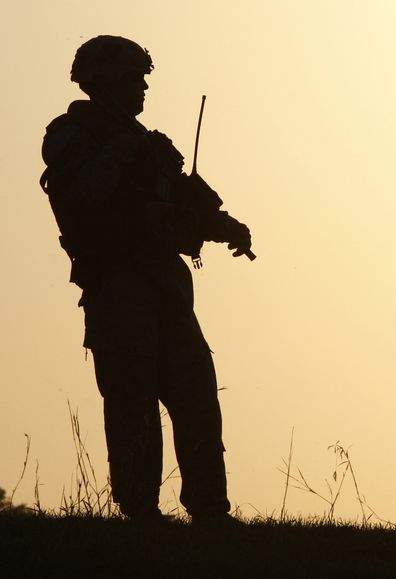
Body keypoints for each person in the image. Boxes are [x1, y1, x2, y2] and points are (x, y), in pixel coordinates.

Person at [39, 35, 253, 522]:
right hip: (117, 289)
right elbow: (83, 198)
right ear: (108, 82)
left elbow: (182, 207)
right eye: (135, 79)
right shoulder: (72, 134)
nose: (142, 89)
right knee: (132, 402)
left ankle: (211, 512)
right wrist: (125, 153)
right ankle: (140, 513)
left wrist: (223, 226)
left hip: (167, 290)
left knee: (196, 393)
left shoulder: (149, 146)